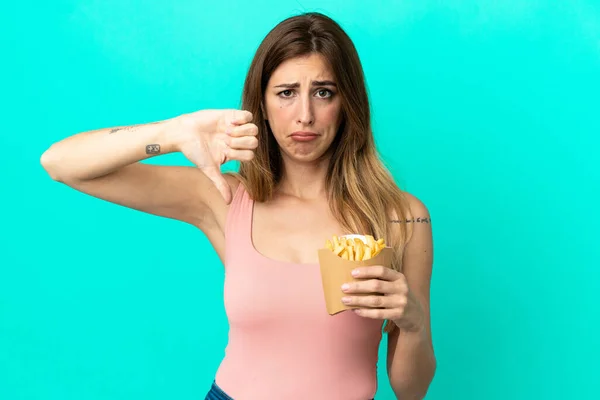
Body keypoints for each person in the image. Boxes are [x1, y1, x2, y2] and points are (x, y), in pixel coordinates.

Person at [40, 12, 436, 400]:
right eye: (286, 93)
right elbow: (61, 163)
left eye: (323, 92)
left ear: (348, 102)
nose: (305, 115)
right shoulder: (224, 198)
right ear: (261, 105)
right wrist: (173, 133)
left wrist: (413, 323)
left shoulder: (402, 216)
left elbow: (411, 391)